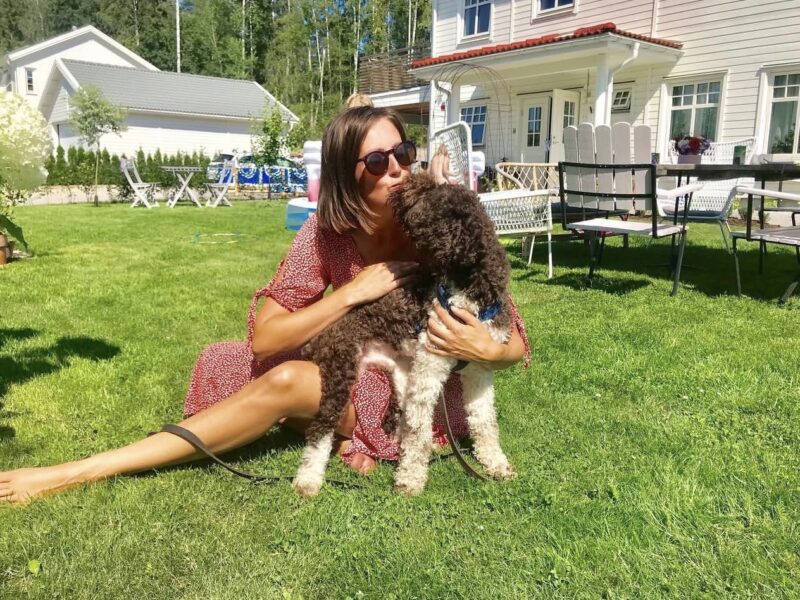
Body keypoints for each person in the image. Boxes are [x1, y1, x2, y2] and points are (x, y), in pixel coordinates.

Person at [0, 107, 529, 504]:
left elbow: (515, 341)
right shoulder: (327, 234)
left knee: (288, 381)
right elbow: (267, 337)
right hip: (361, 358)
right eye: (376, 160)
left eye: (403, 153)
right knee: (229, 361)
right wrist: (352, 292)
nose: (397, 169)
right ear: (346, 174)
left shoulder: (441, 226)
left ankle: (80, 471)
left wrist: (487, 348)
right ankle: (339, 431)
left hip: (422, 390)